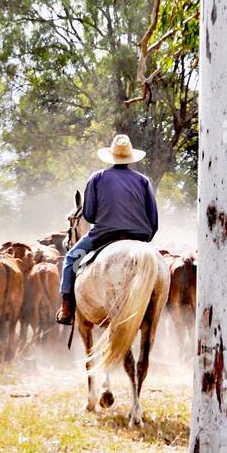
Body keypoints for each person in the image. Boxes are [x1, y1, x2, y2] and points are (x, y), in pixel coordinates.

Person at [56, 134, 158, 325]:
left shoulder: (97, 178)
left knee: (70, 259)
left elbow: (89, 214)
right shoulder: (143, 181)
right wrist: (144, 236)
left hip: (104, 235)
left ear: (111, 156)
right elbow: (153, 220)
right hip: (139, 238)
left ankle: (67, 308)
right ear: (130, 157)